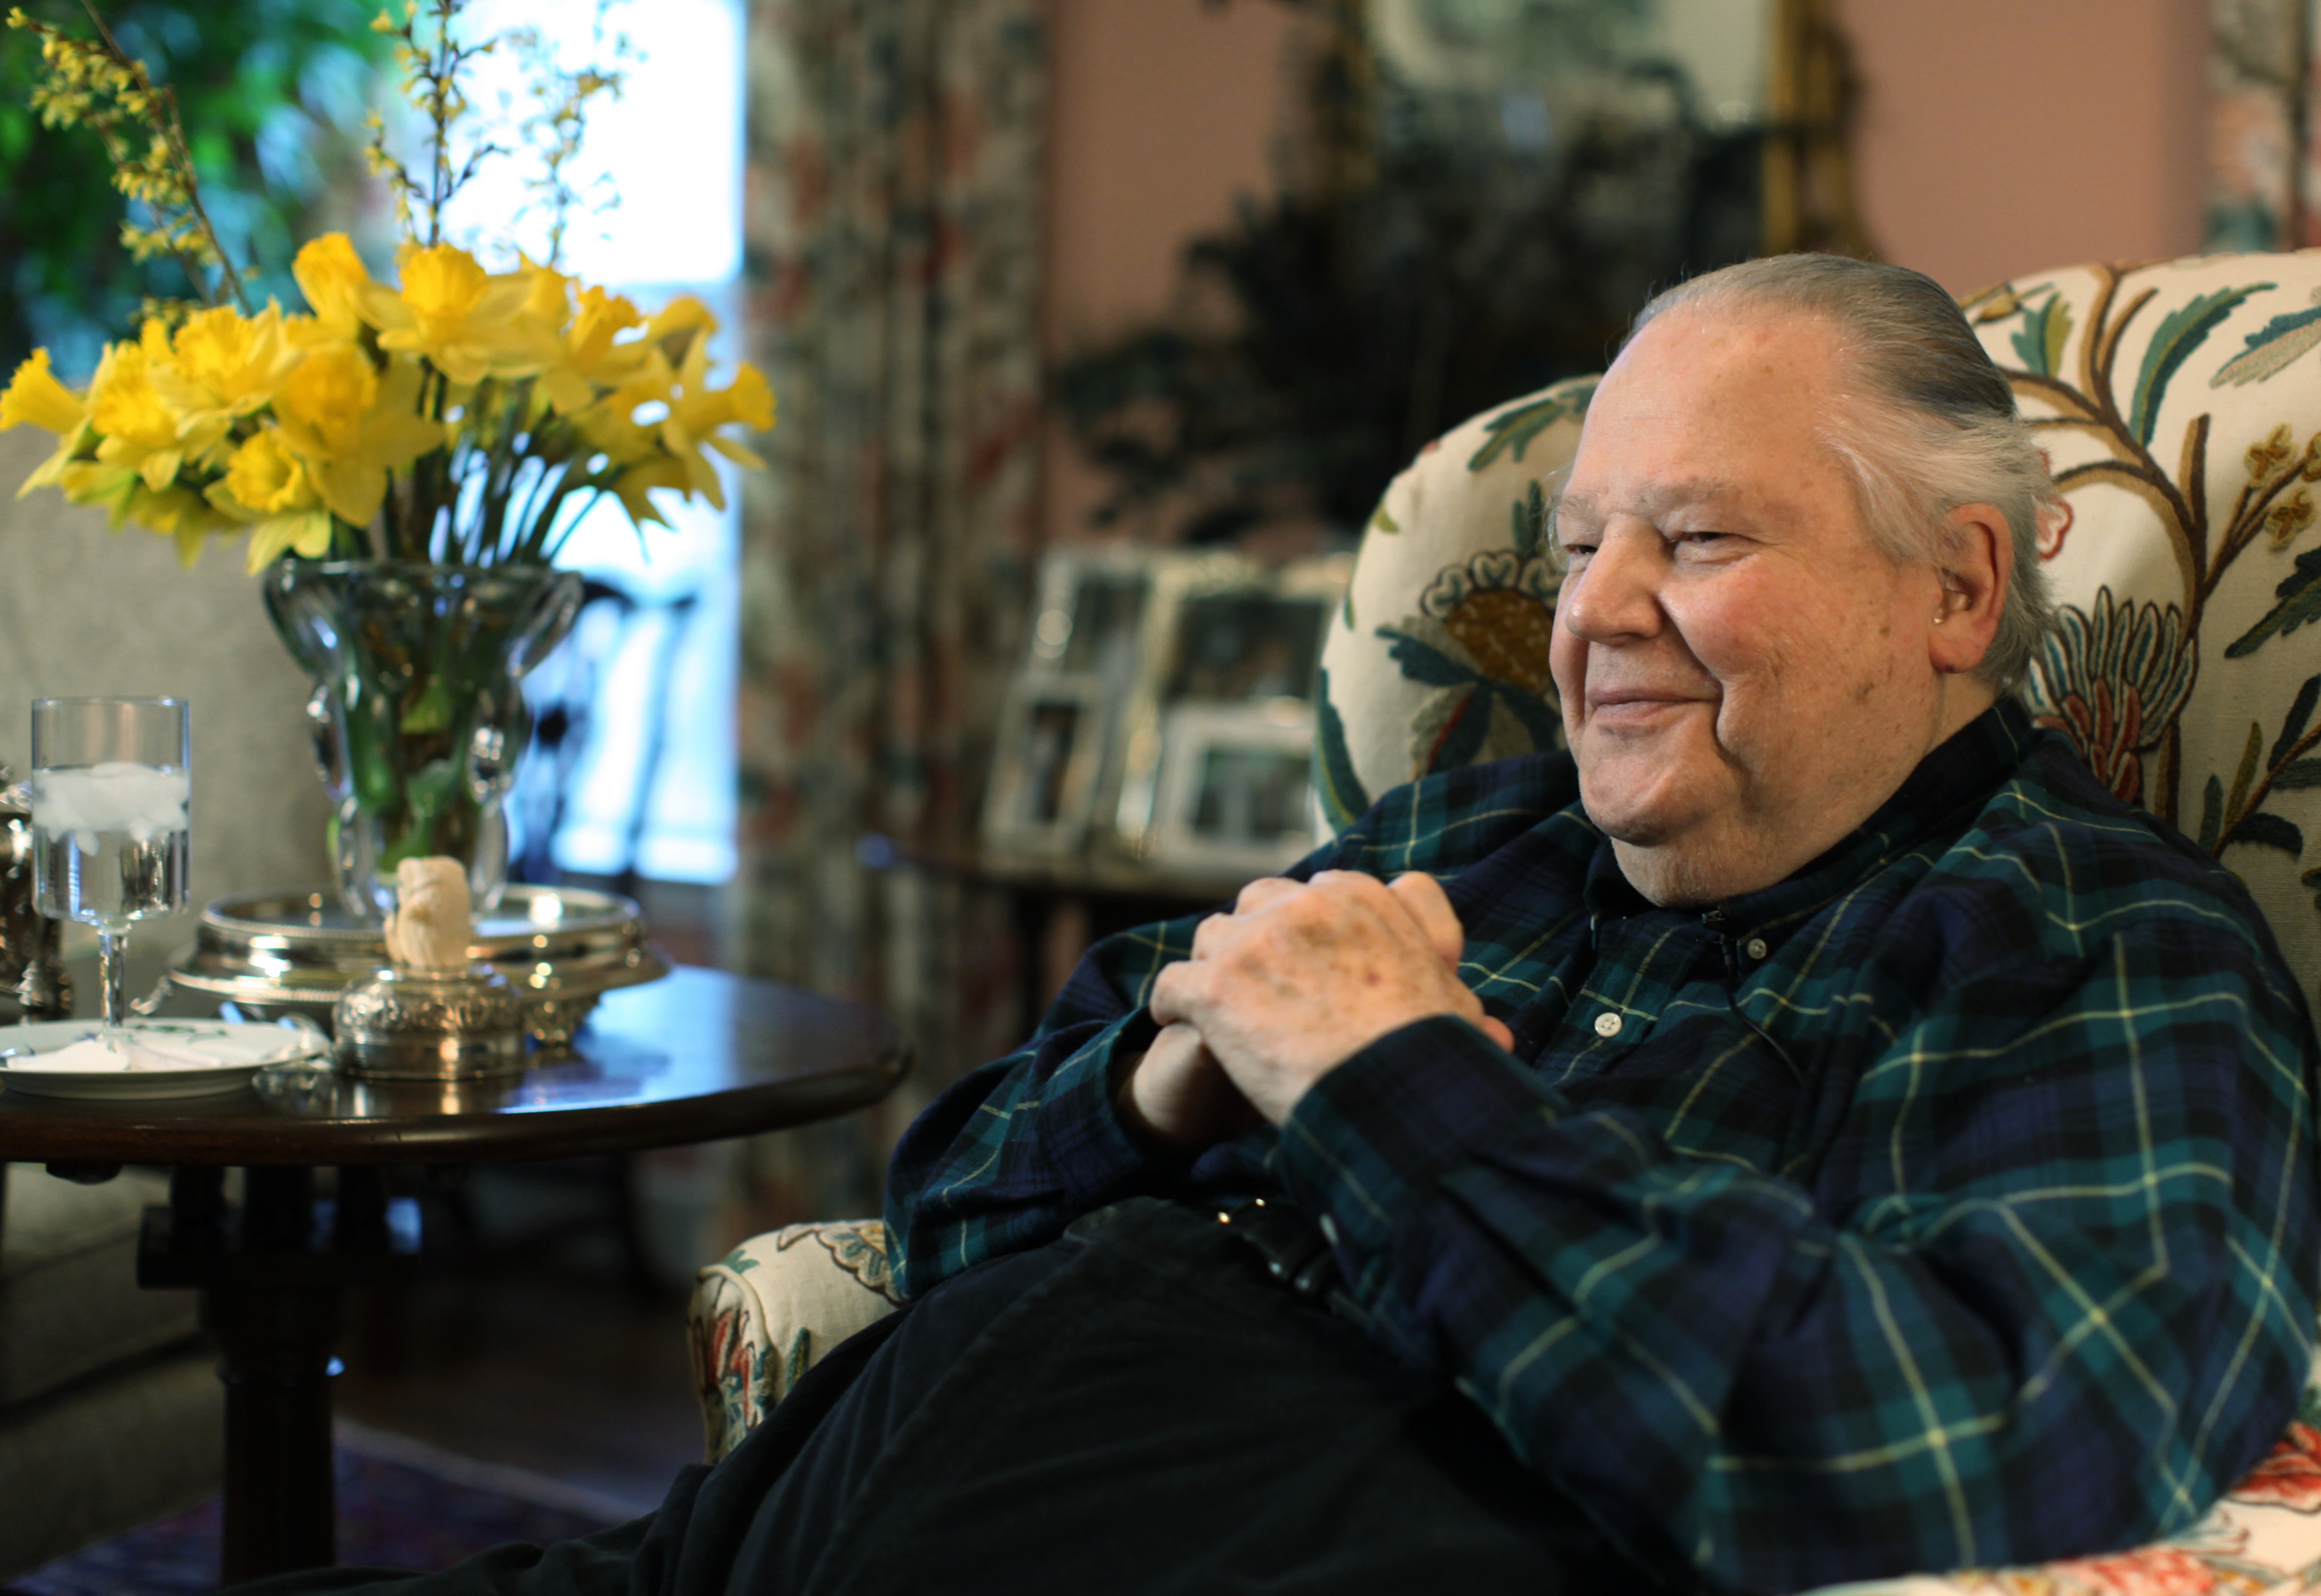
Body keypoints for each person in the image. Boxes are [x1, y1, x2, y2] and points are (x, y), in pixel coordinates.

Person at [242, 255, 2321, 1596]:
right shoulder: (1470, 841)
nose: (1589, 617)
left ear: (1956, 588)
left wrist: (1388, 1080)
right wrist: (1165, 1083)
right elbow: (945, 1204)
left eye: (1691, 540)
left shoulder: (2089, 950)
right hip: (760, 1537)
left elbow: (2010, 1431)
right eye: (1578, 546)